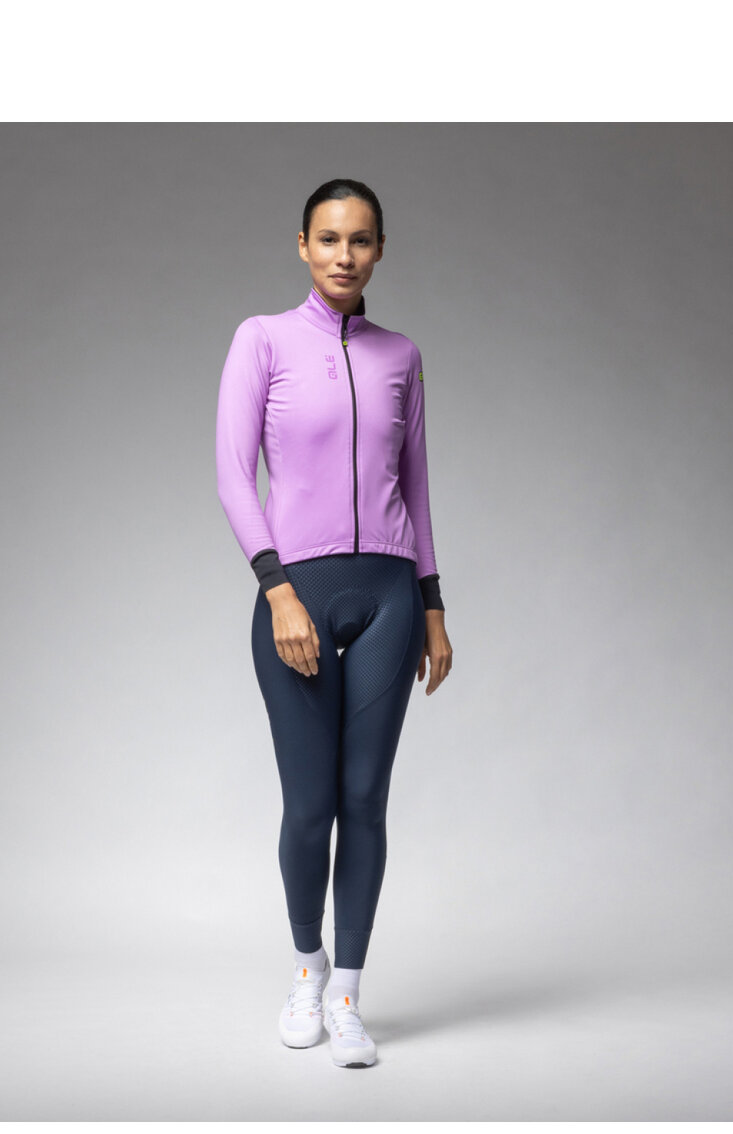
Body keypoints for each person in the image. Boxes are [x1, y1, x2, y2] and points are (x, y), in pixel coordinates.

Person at [215, 178, 453, 1068]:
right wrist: (277, 590)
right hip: (300, 597)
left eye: (360, 240)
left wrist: (433, 606)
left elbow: (415, 487)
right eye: (328, 238)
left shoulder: (402, 355)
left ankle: (348, 993)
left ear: (380, 249)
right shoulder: (263, 339)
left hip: (390, 594)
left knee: (365, 803)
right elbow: (233, 474)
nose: (344, 255)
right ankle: (307, 970)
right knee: (311, 806)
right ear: (303, 246)